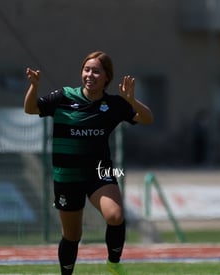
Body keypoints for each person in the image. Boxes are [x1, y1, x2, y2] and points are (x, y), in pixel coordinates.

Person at [24, 51, 153, 275]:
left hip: (98, 173)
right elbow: (31, 108)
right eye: (86, 69)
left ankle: (113, 263)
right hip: (67, 176)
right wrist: (34, 86)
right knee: (72, 235)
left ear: (106, 77)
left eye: (96, 71)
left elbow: (148, 118)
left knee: (115, 215)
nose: (90, 74)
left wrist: (132, 101)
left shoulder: (113, 105)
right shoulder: (64, 96)